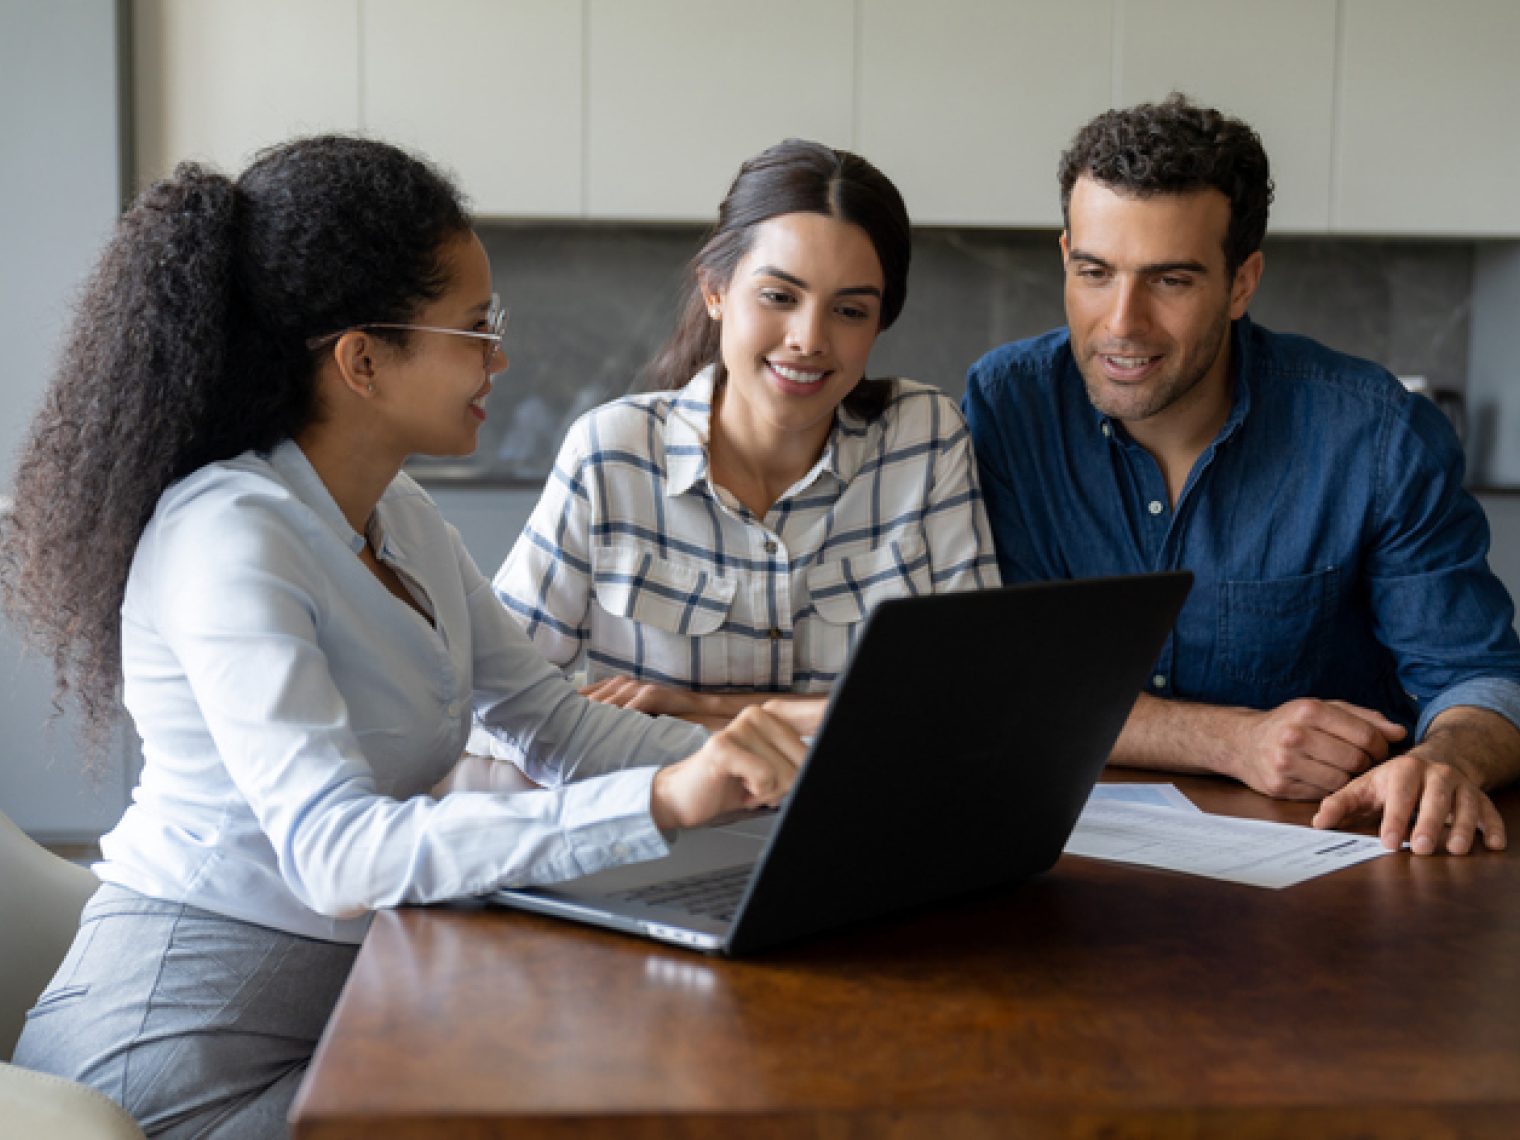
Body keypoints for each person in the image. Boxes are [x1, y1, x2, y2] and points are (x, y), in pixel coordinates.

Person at [0, 136, 818, 1137]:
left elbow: (553, 726)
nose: (500, 358)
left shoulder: (400, 516)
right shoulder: (228, 536)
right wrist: (659, 799)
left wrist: (781, 766)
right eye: (474, 329)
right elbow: (336, 856)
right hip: (163, 1071)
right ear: (361, 359)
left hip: (338, 1017)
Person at [962, 95, 1520, 857]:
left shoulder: (1377, 435)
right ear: (1065, 257)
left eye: (1171, 281)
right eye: (1095, 272)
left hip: (1329, 870)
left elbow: (1481, 679)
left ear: (1243, 282)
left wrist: (1445, 760)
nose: (1122, 321)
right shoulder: (1008, 405)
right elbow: (1008, 678)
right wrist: (1233, 740)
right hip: (1067, 867)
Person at [488, 139, 999, 730]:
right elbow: (498, 698)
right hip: (660, 817)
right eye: (779, 297)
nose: (810, 338)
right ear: (716, 291)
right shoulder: (611, 453)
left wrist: (708, 711)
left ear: (879, 321)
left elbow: (975, 698)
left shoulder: (926, 438)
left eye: (850, 311)